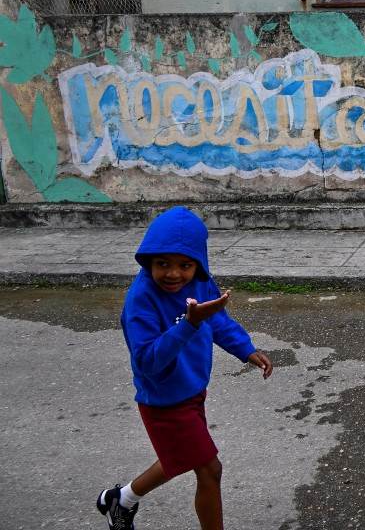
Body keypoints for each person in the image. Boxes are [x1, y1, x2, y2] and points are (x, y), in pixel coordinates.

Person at [96, 206, 274, 530]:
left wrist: (246, 349)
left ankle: (121, 500)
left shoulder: (199, 283)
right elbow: (148, 361)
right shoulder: (141, 300)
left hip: (193, 391)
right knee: (209, 469)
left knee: (178, 459)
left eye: (185, 265)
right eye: (162, 263)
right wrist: (188, 324)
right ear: (148, 259)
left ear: (198, 263)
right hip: (163, 400)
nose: (173, 274)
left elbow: (217, 319)